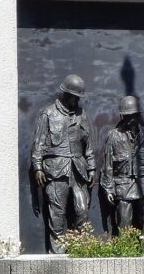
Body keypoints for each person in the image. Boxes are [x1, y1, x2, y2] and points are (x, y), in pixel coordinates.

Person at [31, 74, 96, 253]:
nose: (76, 101)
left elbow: (88, 144)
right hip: (56, 170)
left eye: (78, 98)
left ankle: (81, 249)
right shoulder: (48, 113)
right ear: (66, 95)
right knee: (57, 214)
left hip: (78, 170)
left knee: (82, 210)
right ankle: (58, 254)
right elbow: (38, 143)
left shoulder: (82, 114)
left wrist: (91, 167)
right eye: (74, 97)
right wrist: (37, 167)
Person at [102, 96, 144, 233]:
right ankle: (126, 250)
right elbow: (107, 166)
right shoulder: (113, 136)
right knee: (124, 221)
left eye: (133, 116)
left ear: (139, 115)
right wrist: (109, 189)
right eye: (127, 116)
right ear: (122, 116)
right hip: (123, 185)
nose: (130, 119)